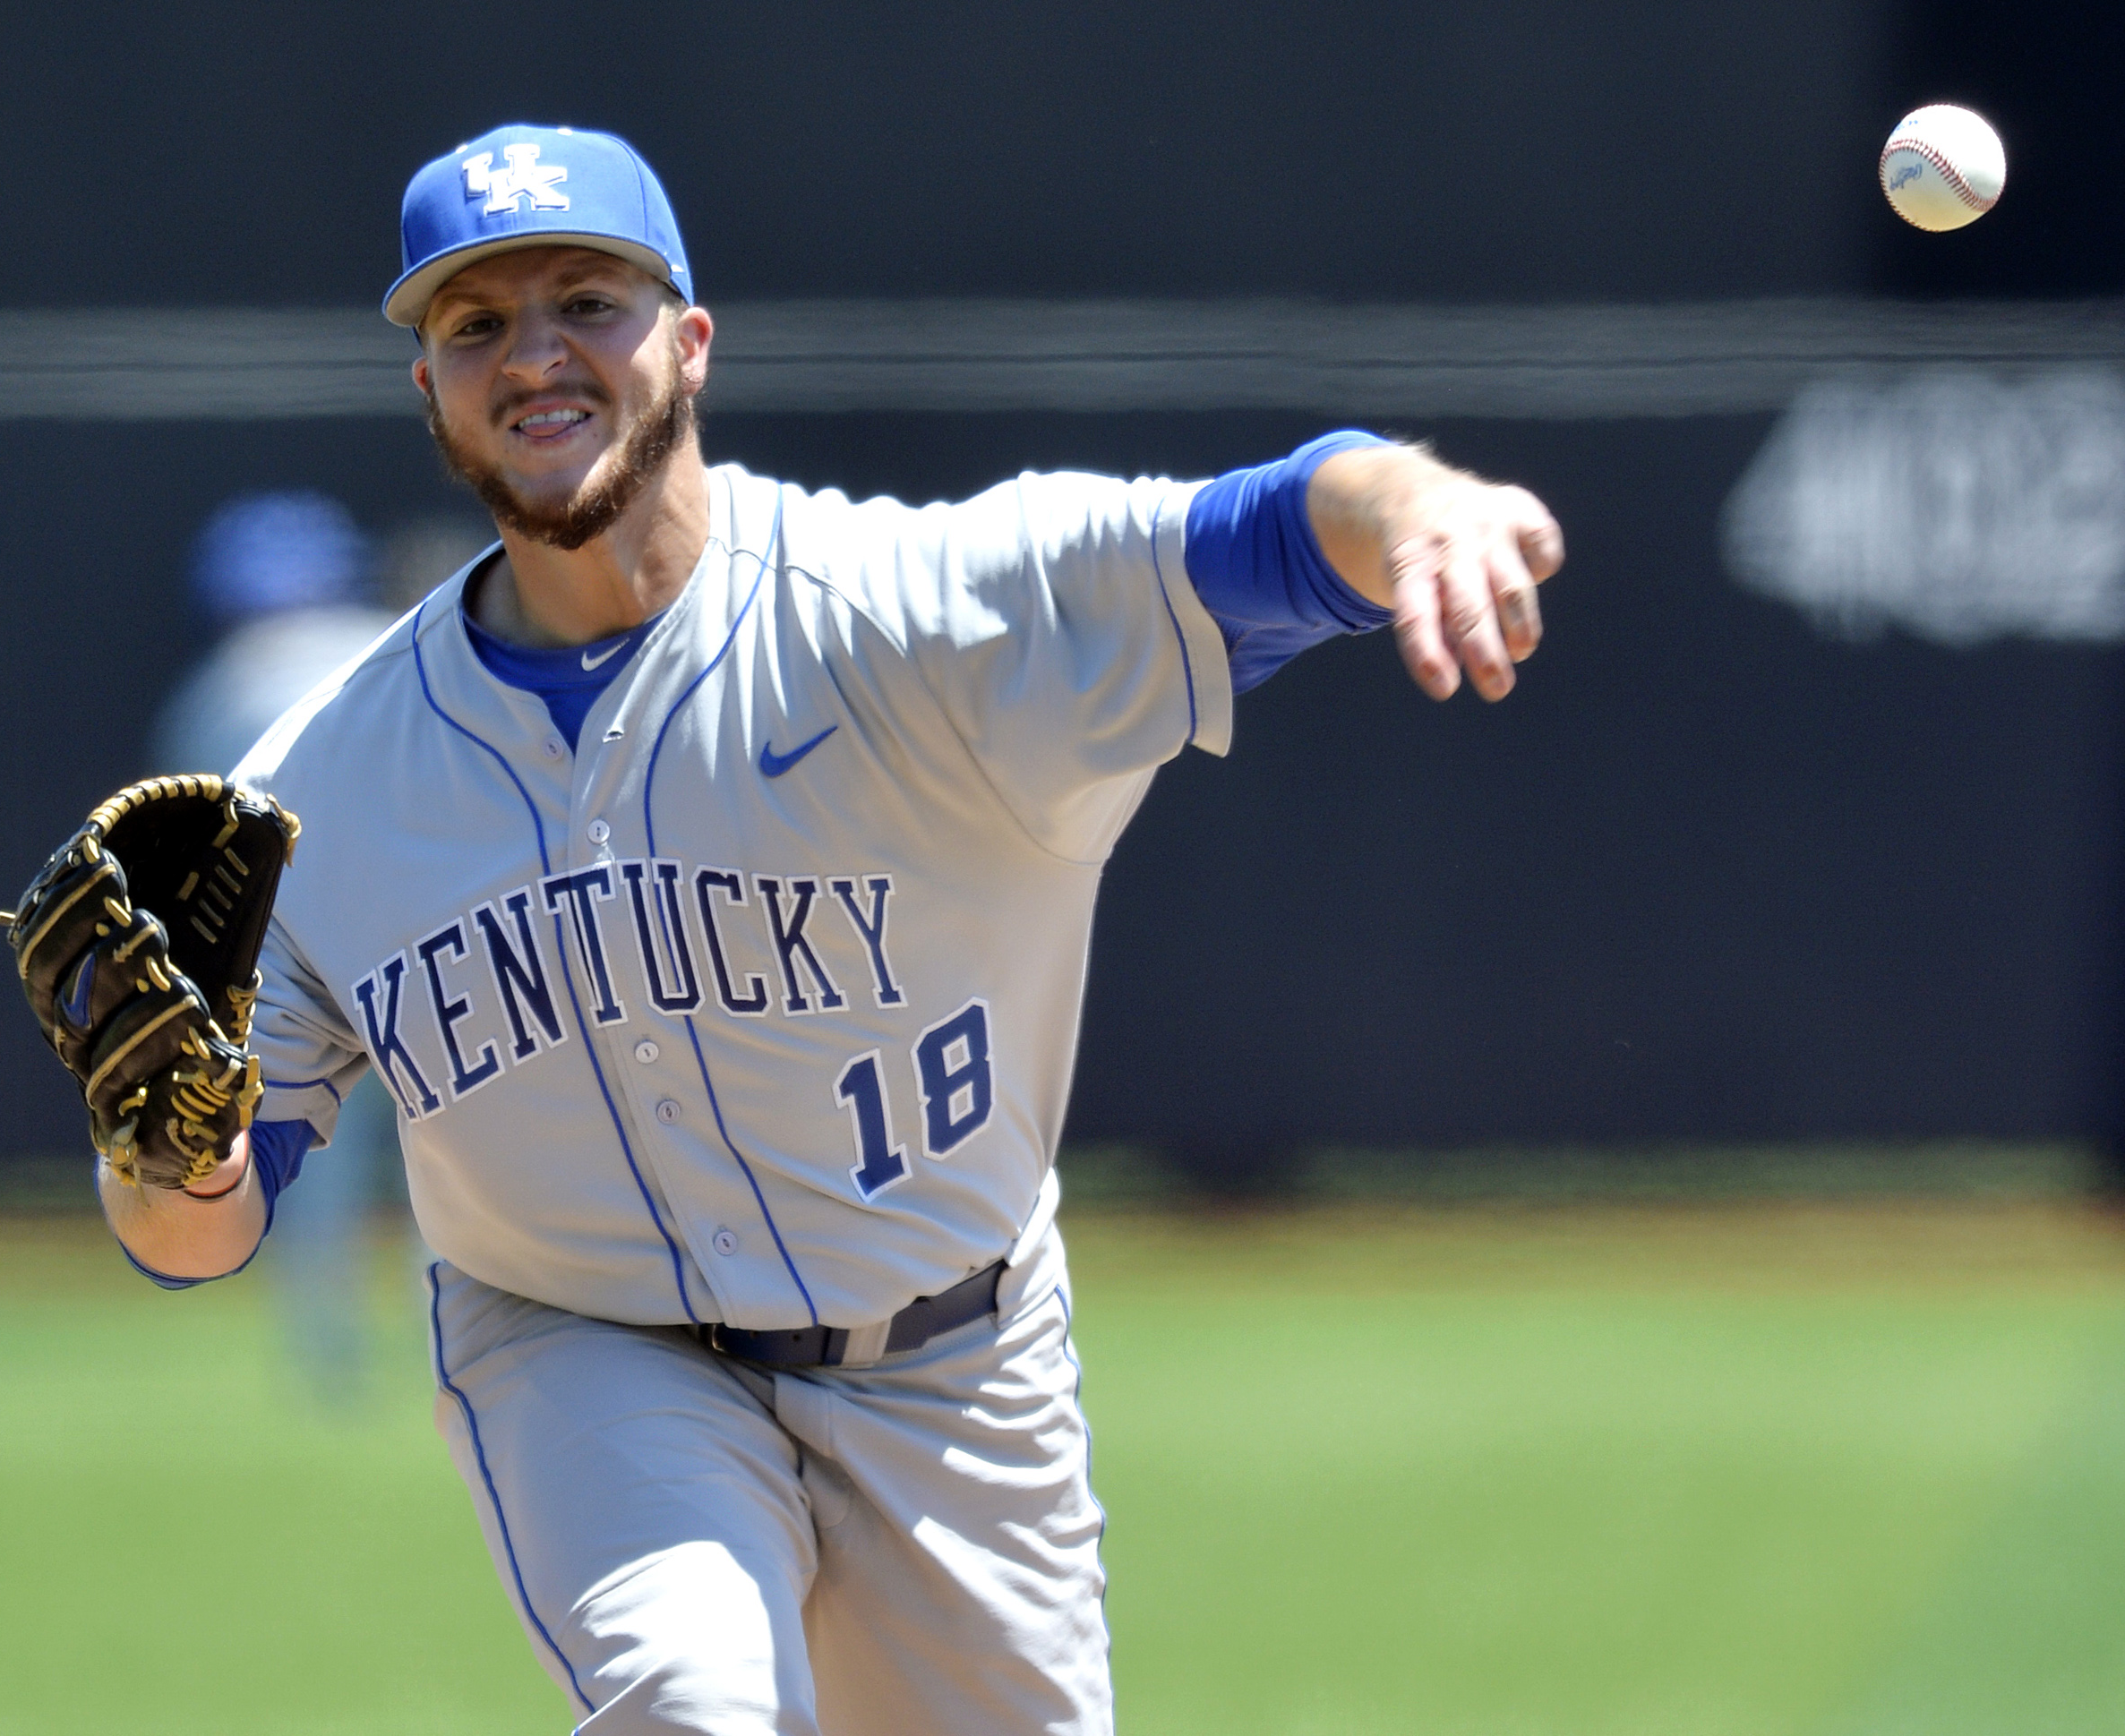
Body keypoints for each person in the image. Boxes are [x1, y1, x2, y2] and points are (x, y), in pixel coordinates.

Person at [100, 124, 1563, 1734]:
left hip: (953, 1360)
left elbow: (1266, 527)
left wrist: (1417, 504)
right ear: (429, 391)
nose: (535, 356)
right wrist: (167, 1150)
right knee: (690, 1703)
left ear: (691, 342)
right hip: (585, 1350)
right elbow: (193, 1234)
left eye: (587, 299)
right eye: (476, 326)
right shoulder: (313, 787)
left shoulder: (913, 619)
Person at [152, 490, 402, 1405]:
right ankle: (502, 1341)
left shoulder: (214, 691)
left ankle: (329, 1358)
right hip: (437, 935)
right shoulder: (402, 640)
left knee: (309, 1165)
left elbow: (187, 858)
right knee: (466, 1151)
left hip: (294, 961)